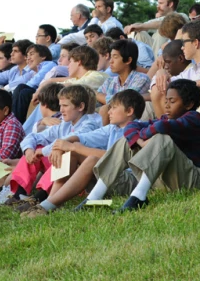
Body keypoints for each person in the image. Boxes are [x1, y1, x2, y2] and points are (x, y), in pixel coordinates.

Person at [89, 79, 200, 212]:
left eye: (172, 101)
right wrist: (140, 140)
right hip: (169, 181)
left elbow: (161, 126)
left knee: (162, 138)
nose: (167, 105)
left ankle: (139, 197)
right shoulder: (167, 119)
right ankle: (94, 198)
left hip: (196, 180)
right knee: (126, 140)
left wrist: (142, 137)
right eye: (166, 101)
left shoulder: (193, 119)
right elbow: (131, 126)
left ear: (189, 104)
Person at [21, 89, 146, 218]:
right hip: (108, 179)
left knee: (92, 159)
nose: (109, 112)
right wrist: (60, 146)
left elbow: (114, 158)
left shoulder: (137, 131)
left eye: (113, 108)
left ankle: (46, 205)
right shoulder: (112, 128)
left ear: (129, 111)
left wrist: (73, 147)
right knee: (71, 152)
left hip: (128, 182)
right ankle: (52, 201)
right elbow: (81, 137)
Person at [5, 85, 102, 207]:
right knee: (36, 146)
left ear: (81, 107)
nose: (61, 110)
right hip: (62, 168)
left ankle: (40, 197)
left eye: (65, 106)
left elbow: (71, 141)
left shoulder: (90, 124)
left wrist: (44, 151)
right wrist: (29, 150)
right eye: (60, 105)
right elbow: (33, 136)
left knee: (62, 153)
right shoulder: (64, 124)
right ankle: (20, 194)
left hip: (78, 173)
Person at [150, 20, 200, 120]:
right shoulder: (189, 72)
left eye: (184, 42)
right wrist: (160, 72)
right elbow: (158, 84)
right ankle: (167, 131)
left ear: (196, 43)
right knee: (158, 89)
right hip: (190, 126)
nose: (182, 47)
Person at [96, 39, 151, 123]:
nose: (111, 61)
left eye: (115, 57)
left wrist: (99, 95)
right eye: (111, 57)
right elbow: (96, 97)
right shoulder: (110, 81)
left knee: (105, 109)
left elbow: (124, 101)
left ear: (128, 60)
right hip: (111, 122)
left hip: (127, 124)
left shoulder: (141, 79)